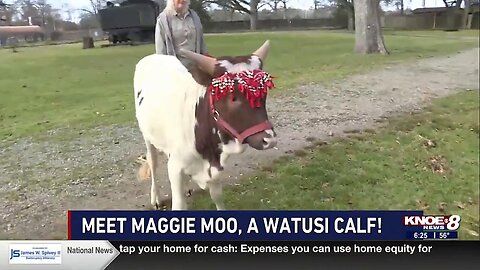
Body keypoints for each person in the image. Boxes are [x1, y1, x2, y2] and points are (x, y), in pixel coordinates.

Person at [155, 0, 209, 70]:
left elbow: (201, 41)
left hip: (195, 68)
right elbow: (160, 48)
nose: (182, 0)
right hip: (176, 69)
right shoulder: (163, 19)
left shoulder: (194, 16)